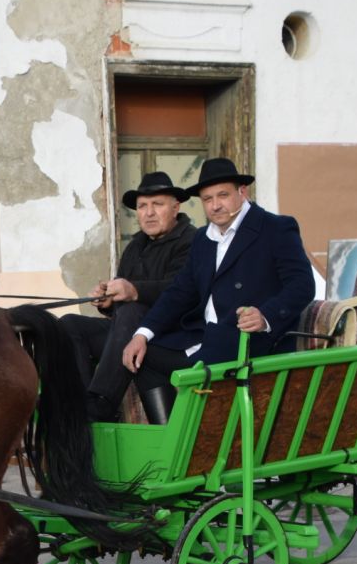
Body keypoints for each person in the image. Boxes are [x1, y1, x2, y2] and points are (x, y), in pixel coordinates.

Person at [120, 158, 317, 419]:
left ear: (242, 192)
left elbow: (302, 285)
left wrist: (265, 316)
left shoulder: (275, 228)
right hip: (203, 336)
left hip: (250, 339)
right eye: (207, 198)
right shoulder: (203, 238)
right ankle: (169, 442)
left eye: (222, 195)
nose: (215, 205)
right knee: (143, 358)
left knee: (196, 371)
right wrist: (142, 334)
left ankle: (193, 445)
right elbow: (180, 291)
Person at [60, 169, 196, 422]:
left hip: (170, 337)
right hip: (128, 332)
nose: (149, 212)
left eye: (157, 204)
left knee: (134, 311)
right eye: (142, 206)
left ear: (175, 207)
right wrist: (108, 302)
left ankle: (102, 403)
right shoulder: (135, 246)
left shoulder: (192, 241)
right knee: (69, 325)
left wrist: (133, 291)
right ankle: (81, 401)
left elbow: (183, 292)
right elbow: (121, 308)